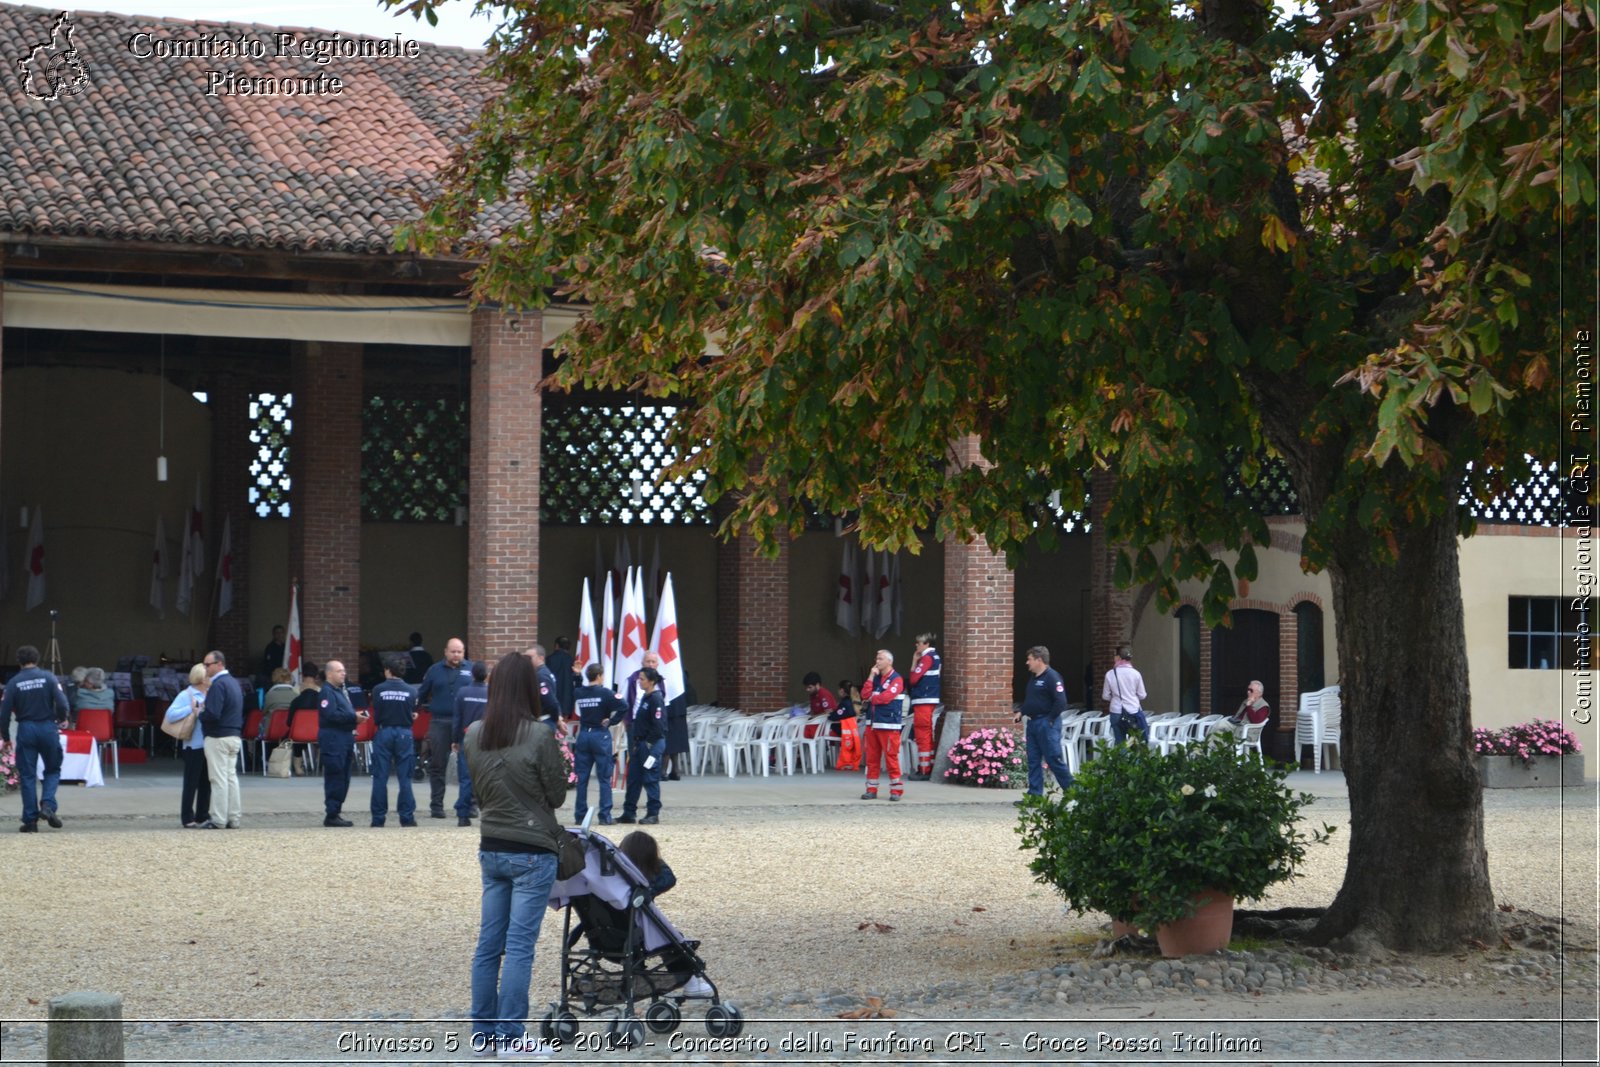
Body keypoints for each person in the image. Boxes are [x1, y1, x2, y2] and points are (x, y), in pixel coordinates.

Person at [463, 650, 568, 1057]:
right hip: (531, 850)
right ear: (528, 688)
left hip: (492, 845)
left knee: (489, 944)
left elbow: (477, 788)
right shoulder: (539, 735)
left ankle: (483, 1031)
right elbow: (557, 794)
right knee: (520, 945)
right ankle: (511, 1035)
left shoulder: (475, 733)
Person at [616, 830, 715, 997]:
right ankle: (690, 981)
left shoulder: (612, 883)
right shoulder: (645, 884)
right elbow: (669, 878)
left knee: (664, 933)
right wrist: (654, 862)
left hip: (612, 936)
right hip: (641, 935)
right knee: (670, 937)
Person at [2, 644, 70, 832]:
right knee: (53, 769)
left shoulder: (14, 683)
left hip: (26, 729)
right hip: (47, 727)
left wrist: (6, 736)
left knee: (28, 775)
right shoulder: (48, 677)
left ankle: (30, 821)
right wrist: (63, 718)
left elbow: (4, 712)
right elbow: (63, 702)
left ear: (19, 661)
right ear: (37, 659)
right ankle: (48, 805)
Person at [418, 637, 475, 819]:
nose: (456, 655)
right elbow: (422, 694)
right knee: (437, 764)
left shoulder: (471, 669)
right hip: (440, 722)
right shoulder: (434, 670)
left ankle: (470, 805)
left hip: (466, 724)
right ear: (445, 652)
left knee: (468, 766)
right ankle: (436, 806)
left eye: (459, 651)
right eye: (453, 651)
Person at [1014, 645, 1073, 804]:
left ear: (1039, 660)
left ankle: (1073, 791)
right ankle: (1035, 796)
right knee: (1033, 761)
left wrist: (1051, 719)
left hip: (1046, 723)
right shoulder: (1034, 678)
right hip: (1033, 723)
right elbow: (1033, 701)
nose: (1027, 662)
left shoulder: (1052, 677)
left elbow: (1061, 701)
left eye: (1030, 659)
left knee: (1053, 759)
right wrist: (1022, 711)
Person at [571, 662, 627, 825]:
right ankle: (605, 816)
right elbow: (624, 706)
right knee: (604, 778)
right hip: (599, 735)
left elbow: (578, 687)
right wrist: (611, 721)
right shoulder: (606, 693)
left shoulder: (579, 692)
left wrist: (577, 676)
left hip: (584, 735)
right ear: (600, 676)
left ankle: (579, 816)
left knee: (582, 778)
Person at [370, 653, 420, 828]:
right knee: (405, 777)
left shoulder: (378, 690)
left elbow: (377, 711)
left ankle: (378, 818)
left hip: (384, 732)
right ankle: (406, 817)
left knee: (380, 777)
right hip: (404, 733)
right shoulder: (412, 691)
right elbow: (412, 711)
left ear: (388, 670)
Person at [198, 650, 244, 829]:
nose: (205, 668)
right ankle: (234, 817)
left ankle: (218, 819)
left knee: (218, 779)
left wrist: (200, 713)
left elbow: (213, 714)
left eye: (208, 665)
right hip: (234, 735)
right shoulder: (234, 683)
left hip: (218, 736)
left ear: (219, 664)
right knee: (231, 778)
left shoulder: (218, 685)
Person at [163, 664, 211, 828]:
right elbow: (170, 715)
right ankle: (187, 816)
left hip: (208, 744)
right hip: (193, 744)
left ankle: (202, 815)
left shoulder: (211, 693)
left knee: (206, 782)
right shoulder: (187, 694)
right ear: (202, 678)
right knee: (191, 782)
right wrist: (189, 708)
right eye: (208, 675)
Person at [617, 667, 665, 825]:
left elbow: (658, 726)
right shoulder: (646, 697)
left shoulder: (656, 699)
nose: (640, 681)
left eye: (643, 678)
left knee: (650, 778)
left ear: (651, 681)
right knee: (633, 778)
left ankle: (653, 813)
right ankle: (628, 812)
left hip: (650, 743)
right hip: (639, 742)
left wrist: (648, 744)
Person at [317, 660, 361, 828]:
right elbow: (331, 715)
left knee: (344, 776)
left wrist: (355, 717)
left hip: (344, 738)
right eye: (339, 671)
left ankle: (336, 810)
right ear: (329, 674)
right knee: (335, 776)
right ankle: (332, 813)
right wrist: (353, 718)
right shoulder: (327, 693)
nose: (343, 674)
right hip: (334, 740)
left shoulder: (340, 692)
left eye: (344, 670)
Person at [859, 649, 906, 801]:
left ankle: (896, 790)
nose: (877, 661)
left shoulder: (896, 679)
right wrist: (871, 676)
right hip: (872, 723)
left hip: (888, 724)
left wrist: (873, 697)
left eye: (880, 659)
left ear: (889, 661)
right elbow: (864, 695)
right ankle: (871, 789)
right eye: (877, 658)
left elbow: (886, 698)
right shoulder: (877, 678)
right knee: (872, 759)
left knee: (891, 757)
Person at [451, 660, 490, 827]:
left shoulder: (463, 692)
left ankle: (463, 816)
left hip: (466, 739)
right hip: (486, 740)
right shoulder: (492, 693)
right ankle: (489, 815)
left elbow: (457, 719)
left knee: (466, 779)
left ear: (472, 674)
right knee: (487, 779)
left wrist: (455, 740)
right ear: (486, 676)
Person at [906, 633, 942, 781]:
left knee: (922, 734)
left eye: (919, 643)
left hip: (923, 699)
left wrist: (914, 661)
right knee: (927, 733)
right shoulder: (935, 657)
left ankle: (924, 769)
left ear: (926, 644)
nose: (916, 645)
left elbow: (913, 679)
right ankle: (928, 765)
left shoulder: (926, 658)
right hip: (929, 699)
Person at [1103, 643, 1149, 745]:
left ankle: (1121, 760)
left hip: (1116, 711)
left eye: (1115, 655)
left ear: (1119, 657)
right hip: (1133, 711)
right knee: (1136, 742)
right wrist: (1131, 696)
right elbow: (1142, 695)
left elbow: (1105, 696)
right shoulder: (1136, 674)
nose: (1114, 658)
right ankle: (1135, 761)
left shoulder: (1110, 674)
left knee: (1120, 742)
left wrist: (1116, 698)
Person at [524, 643, 563, 725]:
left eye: (530, 657)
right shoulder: (541, 673)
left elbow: (551, 701)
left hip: (544, 721)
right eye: (525, 657)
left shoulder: (541, 676)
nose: (527, 660)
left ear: (541, 658)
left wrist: (557, 719)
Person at [833, 679, 863, 772]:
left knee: (822, 734)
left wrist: (830, 714)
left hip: (842, 731)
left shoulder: (845, 703)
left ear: (842, 690)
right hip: (854, 732)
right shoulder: (854, 701)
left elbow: (834, 716)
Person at [545, 636, 576, 718]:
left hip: (552, 696)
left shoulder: (549, 659)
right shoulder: (573, 661)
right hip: (567, 698)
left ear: (556, 646)